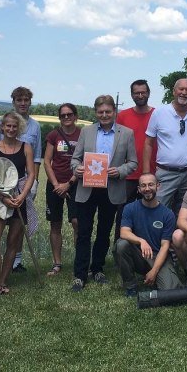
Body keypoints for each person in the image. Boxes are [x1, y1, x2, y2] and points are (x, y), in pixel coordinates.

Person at [70, 95, 137, 292]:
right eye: (101, 112)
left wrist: (120, 171)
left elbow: (133, 162)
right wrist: (78, 169)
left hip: (112, 189)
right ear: (95, 113)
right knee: (83, 233)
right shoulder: (86, 131)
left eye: (108, 111)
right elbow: (75, 159)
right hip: (87, 188)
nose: (105, 115)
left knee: (103, 233)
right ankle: (80, 274)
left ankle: (97, 269)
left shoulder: (126, 133)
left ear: (114, 112)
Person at [0, 111, 36, 299]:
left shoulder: (26, 147)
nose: (11, 129)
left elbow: (32, 174)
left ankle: (2, 282)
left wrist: (23, 196)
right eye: (7, 126)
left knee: (12, 243)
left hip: (19, 197)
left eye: (14, 126)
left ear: (19, 128)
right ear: (2, 127)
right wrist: (3, 197)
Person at [0, 86, 41, 273]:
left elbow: (36, 156)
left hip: (26, 182)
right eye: (19, 100)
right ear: (13, 102)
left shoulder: (35, 126)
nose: (22, 103)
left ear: (30, 102)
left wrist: (32, 184)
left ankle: (16, 262)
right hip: (3, 184)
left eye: (26, 100)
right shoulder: (0, 122)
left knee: (19, 223)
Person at [143, 78, 187, 213]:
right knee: (158, 209)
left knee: (185, 211)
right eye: (181, 89)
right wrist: (146, 173)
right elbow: (148, 143)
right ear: (174, 91)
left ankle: (179, 235)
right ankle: (160, 235)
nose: (184, 92)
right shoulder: (160, 113)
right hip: (165, 173)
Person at [114, 173, 182, 297]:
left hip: (158, 256)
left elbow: (165, 246)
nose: (147, 188)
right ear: (139, 189)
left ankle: (155, 275)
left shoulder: (167, 214)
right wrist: (141, 241)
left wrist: (154, 271)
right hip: (139, 255)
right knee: (121, 244)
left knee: (171, 291)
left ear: (158, 186)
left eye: (151, 184)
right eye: (143, 186)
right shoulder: (130, 208)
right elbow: (124, 232)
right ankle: (130, 286)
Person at [115, 79, 157, 238]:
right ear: (132, 95)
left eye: (143, 92)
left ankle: (146, 253)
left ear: (148, 93)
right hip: (127, 176)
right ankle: (120, 251)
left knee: (149, 215)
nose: (140, 95)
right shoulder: (123, 116)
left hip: (151, 174)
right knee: (123, 215)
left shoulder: (157, 114)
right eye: (136, 92)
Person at [43, 103, 81, 276]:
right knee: (55, 224)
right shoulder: (53, 135)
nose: (66, 117)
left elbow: (85, 161)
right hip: (55, 184)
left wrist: (69, 183)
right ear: (59, 117)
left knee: (77, 223)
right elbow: (47, 161)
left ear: (75, 116)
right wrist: (56, 184)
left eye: (69, 114)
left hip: (76, 183)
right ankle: (57, 263)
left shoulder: (83, 134)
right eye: (63, 115)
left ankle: (79, 261)